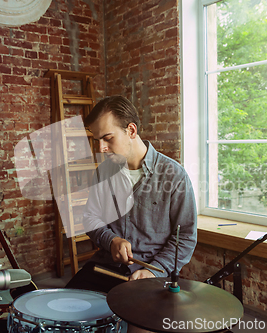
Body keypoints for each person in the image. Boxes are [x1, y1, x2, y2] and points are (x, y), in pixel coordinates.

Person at [65, 96, 197, 331]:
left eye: (107, 138)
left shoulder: (174, 176)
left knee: (138, 326)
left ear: (131, 130)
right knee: (63, 312)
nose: (101, 148)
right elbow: (91, 219)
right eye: (97, 140)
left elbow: (185, 237)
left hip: (152, 273)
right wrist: (111, 240)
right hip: (104, 267)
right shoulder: (105, 171)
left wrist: (152, 269)